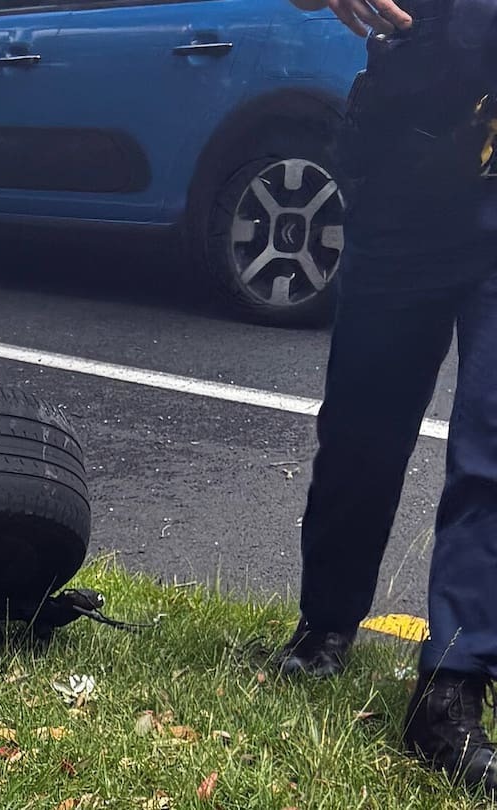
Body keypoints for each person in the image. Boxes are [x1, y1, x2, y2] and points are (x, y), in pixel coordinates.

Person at [273, 0, 497, 795]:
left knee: (494, 444)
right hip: (410, 161)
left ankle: (452, 687)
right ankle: (326, 624)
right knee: (363, 423)